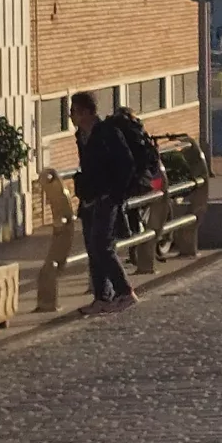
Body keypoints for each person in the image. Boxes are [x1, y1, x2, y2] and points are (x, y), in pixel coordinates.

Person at [69, 91, 137, 313]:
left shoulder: (108, 133)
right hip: (89, 198)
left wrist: (115, 194)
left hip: (106, 198)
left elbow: (127, 163)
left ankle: (125, 291)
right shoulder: (81, 135)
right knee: (92, 247)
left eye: (75, 111)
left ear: (87, 111)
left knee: (102, 246)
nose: (72, 116)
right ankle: (102, 297)